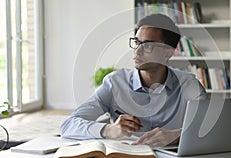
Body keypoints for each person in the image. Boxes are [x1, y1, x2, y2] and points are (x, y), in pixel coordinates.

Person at [60, 14, 207, 147]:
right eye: (136, 42)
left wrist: (178, 135)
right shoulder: (114, 83)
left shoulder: (188, 85)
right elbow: (68, 125)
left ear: (168, 52)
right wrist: (108, 130)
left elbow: (213, 127)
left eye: (147, 45)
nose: (137, 50)